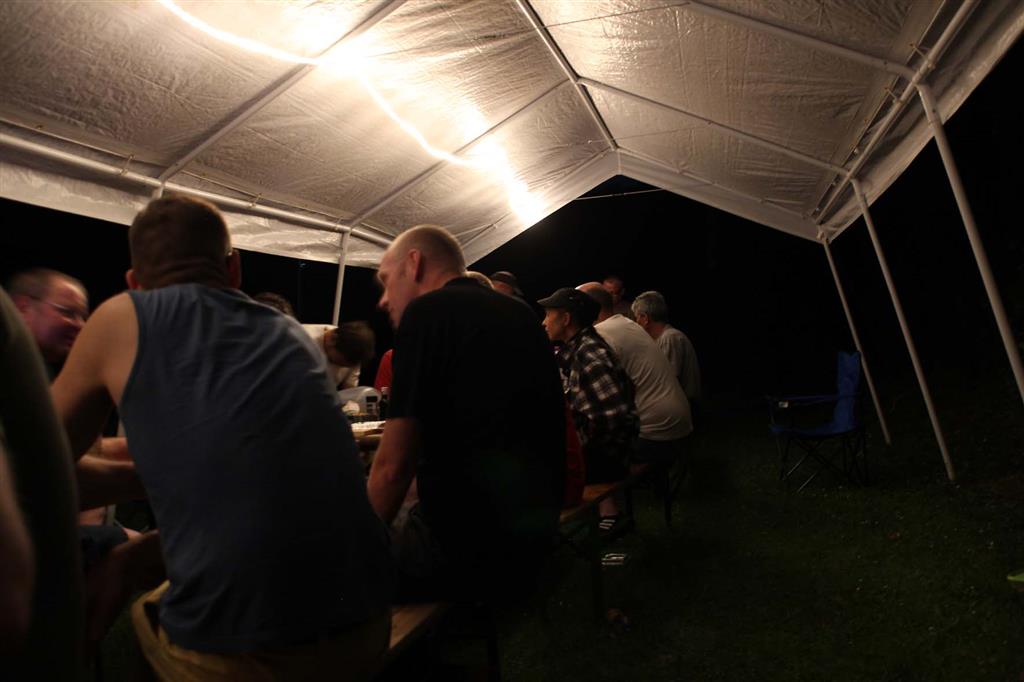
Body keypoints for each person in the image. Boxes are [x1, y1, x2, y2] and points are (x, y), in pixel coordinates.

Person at [50, 195, 393, 679]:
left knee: (140, 619)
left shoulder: (120, 316)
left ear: (134, 281)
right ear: (234, 269)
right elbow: (259, 478)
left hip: (253, 656)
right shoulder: (292, 336)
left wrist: (150, 483)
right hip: (370, 620)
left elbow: (33, 465)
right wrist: (163, 487)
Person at [369, 225, 565, 600]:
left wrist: (354, 548)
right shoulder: (522, 313)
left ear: (414, 263)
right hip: (533, 539)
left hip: (462, 551)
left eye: (386, 280)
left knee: (314, 552)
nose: (383, 300)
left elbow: (392, 468)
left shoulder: (426, 313)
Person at [538, 287, 638, 522]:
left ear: (566, 319)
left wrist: (577, 445)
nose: (544, 322)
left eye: (548, 314)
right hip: (607, 454)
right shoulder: (580, 346)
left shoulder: (589, 353)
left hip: (607, 460)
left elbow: (614, 418)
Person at [578, 283, 692, 469]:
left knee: (590, 457)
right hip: (679, 421)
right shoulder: (628, 324)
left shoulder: (601, 333)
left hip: (657, 432)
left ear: (588, 308)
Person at [632, 290, 702, 405]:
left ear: (645, 318)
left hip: (684, 407)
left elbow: (666, 382)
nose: (636, 323)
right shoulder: (663, 338)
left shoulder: (670, 338)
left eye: (637, 318)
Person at [303, 320, 376, 389]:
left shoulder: (353, 353)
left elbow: (350, 390)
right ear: (332, 340)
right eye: (338, 363)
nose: (339, 369)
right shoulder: (302, 343)